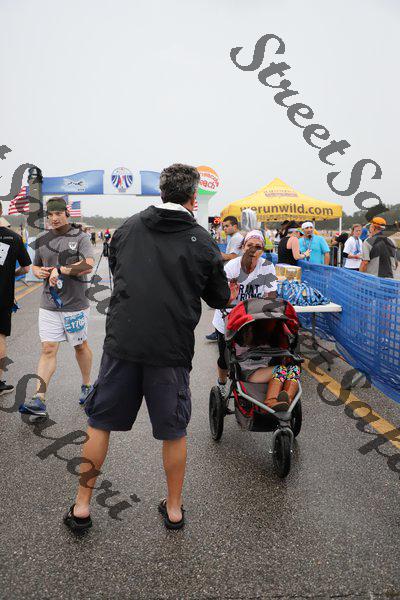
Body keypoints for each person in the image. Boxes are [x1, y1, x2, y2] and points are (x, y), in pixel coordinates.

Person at [64, 164, 230, 532]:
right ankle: (174, 508)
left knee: (99, 421)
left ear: (161, 193)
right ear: (193, 197)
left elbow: (118, 271)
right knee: (173, 429)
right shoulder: (202, 240)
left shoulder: (127, 228)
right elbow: (220, 297)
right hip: (170, 348)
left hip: (123, 341)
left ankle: (82, 505)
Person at [18, 197, 95, 417]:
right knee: (48, 349)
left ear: (66, 213)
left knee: (80, 346)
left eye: (58, 214)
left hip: (75, 305)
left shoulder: (80, 237)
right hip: (49, 304)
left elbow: (88, 265)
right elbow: (35, 266)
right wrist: (38, 271)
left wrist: (60, 270)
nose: (54, 218)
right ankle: (39, 398)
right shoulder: (43, 239)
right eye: (50, 215)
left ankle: (87, 385)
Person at [212, 230, 277, 397]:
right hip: (228, 317)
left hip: (253, 319)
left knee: (253, 354)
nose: (253, 250)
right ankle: (222, 383)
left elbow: (271, 296)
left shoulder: (267, 267)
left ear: (263, 250)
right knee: (224, 358)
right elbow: (221, 298)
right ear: (242, 247)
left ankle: (251, 385)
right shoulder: (231, 266)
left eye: (258, 247)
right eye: (249, 245)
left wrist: (267, 306)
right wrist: (230, 297)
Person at [0, 200, 31, 394]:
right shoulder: (13, 238)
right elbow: (26, 268)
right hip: (3, 295)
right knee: (0, 337)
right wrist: (11, 273)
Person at [205, 216, 243, 342]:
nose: (224, 228)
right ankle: (220, 330)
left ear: (235, 226)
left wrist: (215, 254)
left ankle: (221, 331)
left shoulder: (237, 238)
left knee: (225, 303)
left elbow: (232, 256)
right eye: (224, 226)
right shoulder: (234, 238)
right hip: (232, 274)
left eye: (227, 226)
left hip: (234, 275)